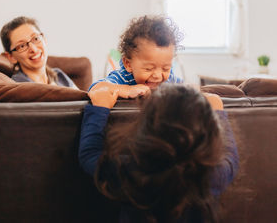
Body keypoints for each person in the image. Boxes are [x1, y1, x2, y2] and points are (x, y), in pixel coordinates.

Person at [79, 84, 238, 222]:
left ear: (144, 129)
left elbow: (90, 154)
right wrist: (218, 112)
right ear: (211, 134)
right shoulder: (214, 174)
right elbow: (230, 155)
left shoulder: (130, 170)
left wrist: (99, 108)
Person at [88, 15, 183, 98]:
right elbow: (94, 88)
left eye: (165, 68)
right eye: (149, 69)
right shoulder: (123, 78)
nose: (158, 76)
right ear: (128, 64)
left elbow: (185, 87)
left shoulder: (169, 78)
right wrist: (127, 89)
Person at [0, 16, 77, 88]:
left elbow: (84, 98)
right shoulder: (19, 86)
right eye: (22, 46)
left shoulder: (59, 75)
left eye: (36, 39)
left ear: (44, 39)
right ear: (11, 57)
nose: (33, 49)